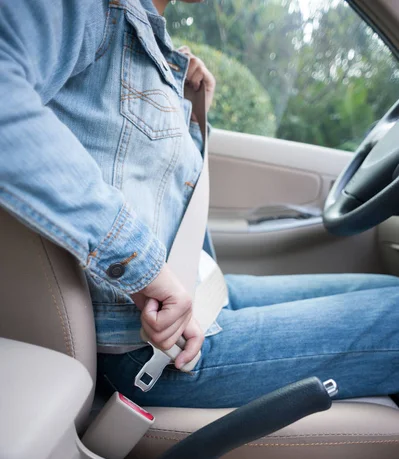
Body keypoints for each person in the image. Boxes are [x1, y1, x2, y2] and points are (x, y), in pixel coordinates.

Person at [2, 0, 399, 409]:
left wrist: (184, 104)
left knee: (392, 292)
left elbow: (146, 182)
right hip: (146, 345)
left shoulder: (142, 38)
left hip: (195, 296)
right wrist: (141, 266)